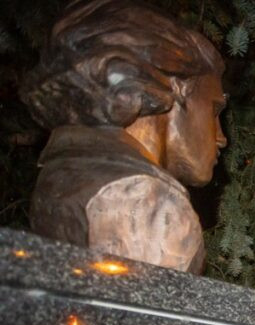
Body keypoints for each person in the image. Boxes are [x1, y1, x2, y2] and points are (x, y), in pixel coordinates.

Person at [20, 0, 228, 273]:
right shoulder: (146, 202)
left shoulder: (64, 171)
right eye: (213, 110)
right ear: (178, 89)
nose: (221, 137)